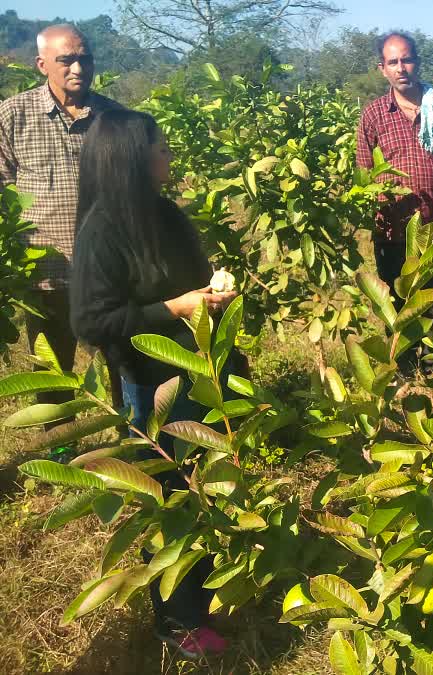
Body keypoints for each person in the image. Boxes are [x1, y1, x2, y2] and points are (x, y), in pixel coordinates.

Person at [70, 109, 236, 659]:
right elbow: (94, 322)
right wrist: (175, 307)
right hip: (152, 384)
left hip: (200, 370)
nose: (169, 156)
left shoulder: (163, 215)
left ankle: (209, 591)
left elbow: (191, 282)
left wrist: (211, 295)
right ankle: (179, 620)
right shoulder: (103, 231)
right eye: (161, 148)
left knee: (209, 485)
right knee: (173, 496)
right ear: (131, 160)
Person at [0, 24, 123, 448]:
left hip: (110, 271)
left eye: (84, 58)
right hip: (44, 272)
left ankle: (139, 442)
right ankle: (63, 453)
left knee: (124, 361)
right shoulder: (13, 115)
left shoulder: (114, 117)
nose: (77, 68)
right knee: (53, 369)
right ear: (42, 65)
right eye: (65, 59)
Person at [355, 32, 433, 372]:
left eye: (407, 60)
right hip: (393, 227)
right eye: (393, 62)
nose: (401, 68)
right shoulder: (374, 114)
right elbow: (365, 170)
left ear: (417, 62)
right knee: (398, 300)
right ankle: (403, 370)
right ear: (382, 69)